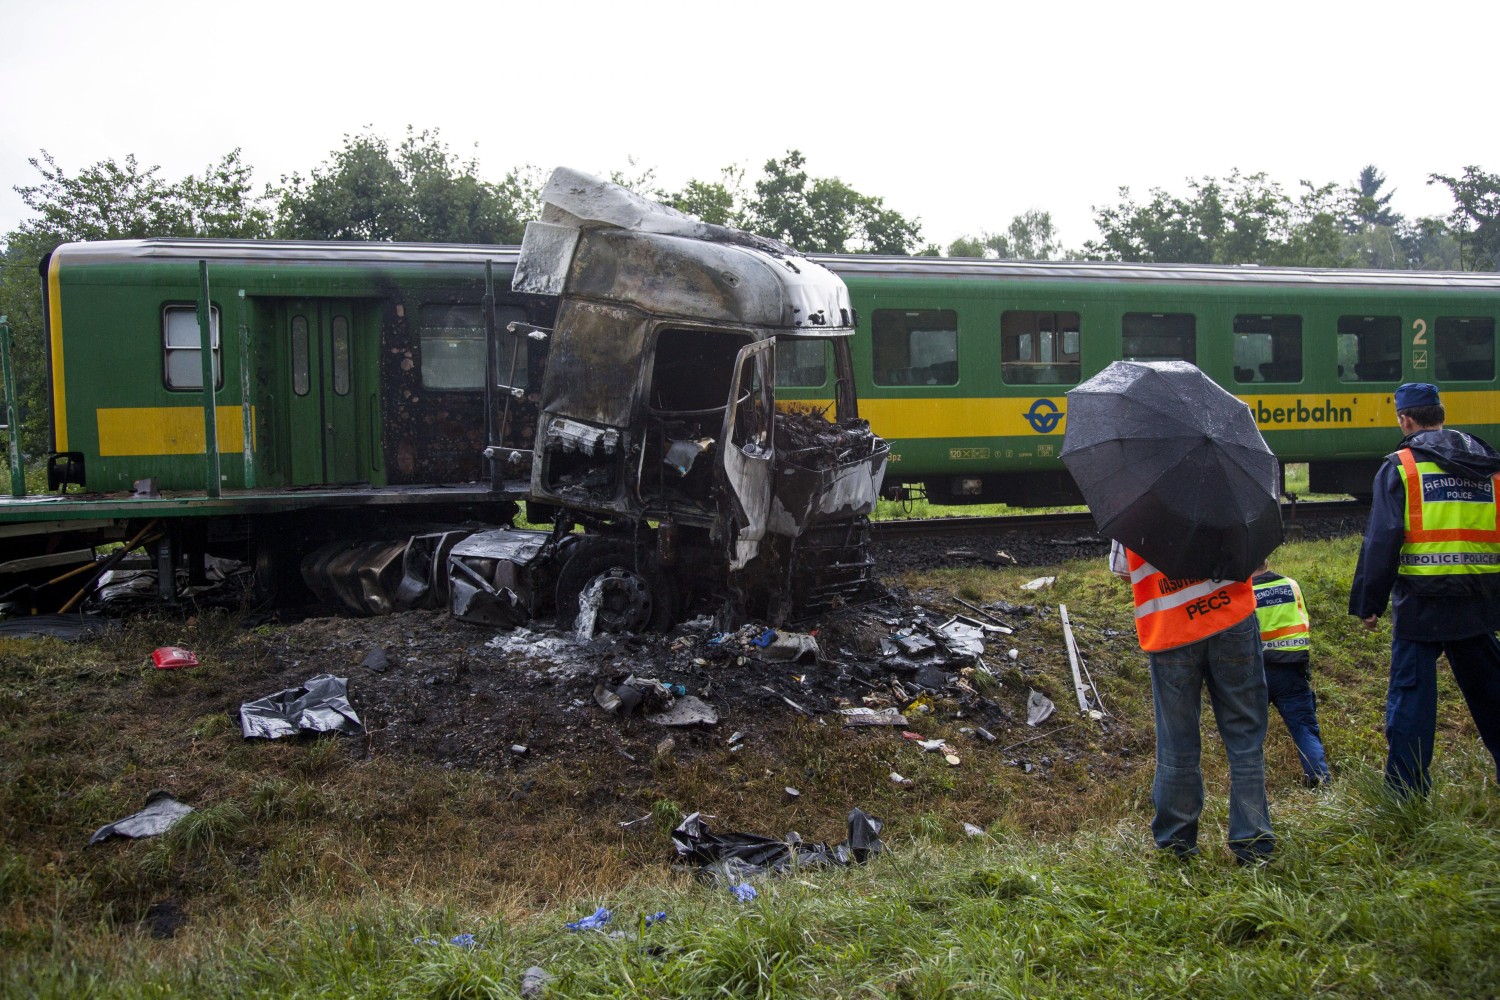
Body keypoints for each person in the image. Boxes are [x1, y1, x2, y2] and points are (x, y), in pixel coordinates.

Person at [1348, 382, 1500, 794]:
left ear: (1406, 419)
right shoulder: (1487, 463)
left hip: (1422, 602)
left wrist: (1368, 601)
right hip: (1481, 599)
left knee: (1412, 698)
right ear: (1441, 414)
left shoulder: (1402, 465)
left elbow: (1382, 539)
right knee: (1492, 691)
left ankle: (1406, 793)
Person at [1112, 540, 1274, 863]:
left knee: (1177, 744)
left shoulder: (1134, 495)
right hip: (1232, 618)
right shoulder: (1226, 487)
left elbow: (1122, 571)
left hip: (1171, 630)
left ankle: (1176, 844)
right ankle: (1253, 843)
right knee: (1245, 740)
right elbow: (1258, 562)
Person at [1252, 560, 1332, 786]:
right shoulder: (1291, 585)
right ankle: (1319, 778)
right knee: (1304, 726)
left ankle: (1252, 787)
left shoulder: (1243, 592)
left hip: (1255, 672)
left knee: (1247, 734)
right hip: (1291, 669)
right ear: (1266, 559)